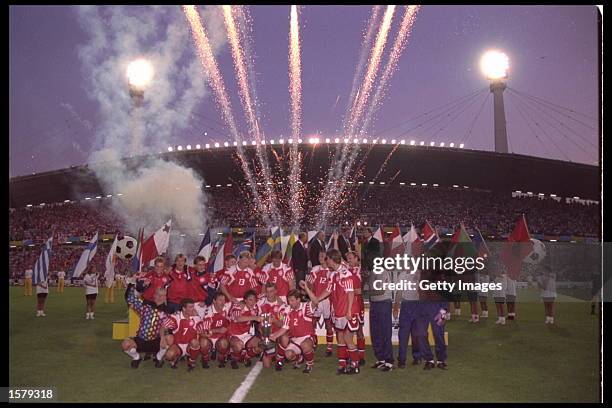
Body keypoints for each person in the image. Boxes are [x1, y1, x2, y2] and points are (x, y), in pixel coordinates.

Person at [309, 249, 361, 375]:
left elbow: (350, 292)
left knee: (348, 339)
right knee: (341, 340)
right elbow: (328, 290)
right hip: (338, 311)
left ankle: (355, 365)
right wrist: (317, 298)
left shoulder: (345, 273)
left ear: (332, 260)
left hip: (348, 311)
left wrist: (349, 311)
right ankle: (342, 365)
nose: (326, 261)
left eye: (327, 259)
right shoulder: (333, 275)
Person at [122, 283, 169, 368]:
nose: (160, 297)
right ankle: (136, 357)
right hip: (141, 340)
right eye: (158, 295)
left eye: (163, 295)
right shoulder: (146, 306)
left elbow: (167, 326)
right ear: (154, 295)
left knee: (169, 340)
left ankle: (158, 358)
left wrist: (163, 337)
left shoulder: (168, 311)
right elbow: (130, 299)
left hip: (156, 341)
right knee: (125, 344)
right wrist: (133, 285)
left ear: (165, 297)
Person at [271, 288, 317, 373]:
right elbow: (285, 327)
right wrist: (274, 336)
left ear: (298, 300)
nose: (290, 303)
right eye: (289, 301)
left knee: (305, 345)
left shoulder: (305, 307)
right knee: (288, 355)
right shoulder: (288, 311)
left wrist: (306, 288)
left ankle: (309, 364)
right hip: (295, 339)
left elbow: (315, 302)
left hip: (308, 337)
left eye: (292, 300)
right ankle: (300, 358)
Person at [368, 258, 395, 372]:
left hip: (383, 303)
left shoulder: (383, 272)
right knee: (375, 332)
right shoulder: (373, 272)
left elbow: (381, 290)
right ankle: (381, 358)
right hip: (374, 303)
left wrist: (364, 292)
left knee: (385, 332)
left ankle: (389, 361)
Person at [161, 298, 203, 371]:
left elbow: (202, 329)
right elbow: (163, 327)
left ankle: (191, 361)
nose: (193, 309)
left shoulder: (196, 318)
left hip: (190, 345)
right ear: (183, 308)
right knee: (169, 355)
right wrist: (162, 338)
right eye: (190, 307)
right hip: (178, 345)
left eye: (193, 307)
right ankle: (177, 357)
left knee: (195, 342)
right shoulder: (176, 317)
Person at [306, 251, 334, 356]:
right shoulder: (315, 269)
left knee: (328, 324)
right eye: (319, 256)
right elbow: (309, 284)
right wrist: (312, 296)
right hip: (316, 300)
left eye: (322, 256)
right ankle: (313, 343)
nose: (320, 258)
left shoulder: (331, 271)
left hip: (327, 301)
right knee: (312, 323)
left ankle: (329, 347)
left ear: (327, 258)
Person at [227, 289, 263, 369]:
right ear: (245, 300)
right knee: (239, 345)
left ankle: (246, 356)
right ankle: (234, 357)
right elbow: (238, 318)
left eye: (254, 300)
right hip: (234, 334)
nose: (252, 302)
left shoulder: (256, 308)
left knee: (262, 345)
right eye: (250, 300)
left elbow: (261, 319)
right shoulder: (238, 306)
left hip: (247, 334)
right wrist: (255, 317)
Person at [257, 282, 289, 368]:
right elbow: (257, 322)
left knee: (285, 338)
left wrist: (274, 320)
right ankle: (270, 351)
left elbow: (283, 324)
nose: (269, 294)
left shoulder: (281, 305)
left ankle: (279, 357)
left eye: (271, 291)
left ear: (276, 291)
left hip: (278, 334)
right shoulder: (260, 304)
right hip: (265, 334)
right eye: (267, 291)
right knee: (266, 365)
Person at [394, 268, 421, 368]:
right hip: (406, 305)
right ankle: (402, 360)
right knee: (403, 335)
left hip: (417, 305)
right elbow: (399, 292)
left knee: (416, 334)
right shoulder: (402, 275)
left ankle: (417, 357)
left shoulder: (419, 273)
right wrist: (396, 307)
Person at [199, 292, 231, 368]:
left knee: (224, 343)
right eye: (220, 300)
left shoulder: (226, 307)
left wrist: (241, 304)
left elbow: (237, 304)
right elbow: (205, 330)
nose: (223, 302)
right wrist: (218, 330)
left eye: (224, 300)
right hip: (209, 336)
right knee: (203, 342)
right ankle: (205, 358)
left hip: (220, 337)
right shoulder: (208, 312)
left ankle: (221, 358)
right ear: (214, 301)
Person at [346, 251, 366, 365]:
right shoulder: (346, 271)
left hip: (358, 304)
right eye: (347, 259)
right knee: (348, 331)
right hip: (348, 304)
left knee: (359, 330)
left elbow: (361, 290)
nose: (348, 260)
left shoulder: (361, 271)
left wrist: (350, 291)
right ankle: (351, 355)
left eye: (350, 258)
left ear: (356, 258)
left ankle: (361, 356)